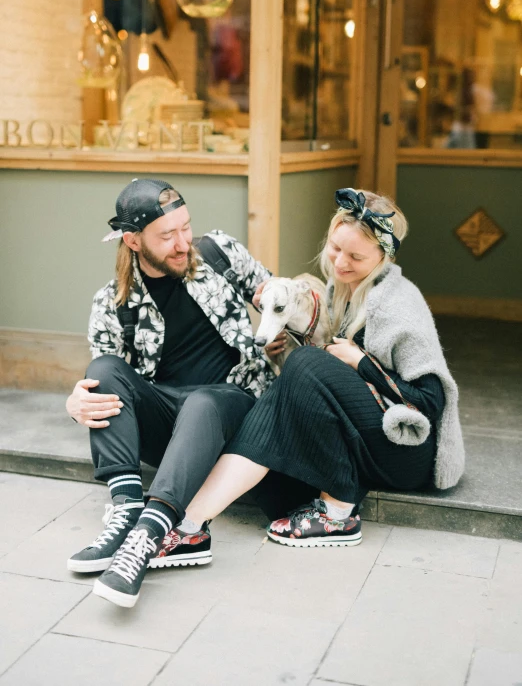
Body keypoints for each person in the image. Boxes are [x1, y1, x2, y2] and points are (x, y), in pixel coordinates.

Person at [180, 188, 465, 553]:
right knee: (275, 484)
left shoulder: (398, 304)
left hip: (409, 451)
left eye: (355, 256)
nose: (340, 262)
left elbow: (431, 402)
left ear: (384, 257)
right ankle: (190, 522)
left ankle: (337, 513)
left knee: (305, 364)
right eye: (335, 247)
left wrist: (361, 362)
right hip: (372, 434)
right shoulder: (341, 288)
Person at [65, 178, 276, 606]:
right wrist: (77, 402)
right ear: (134, 240)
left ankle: (147, 537)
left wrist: (286, 328)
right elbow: (104, 382)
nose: (183, 243)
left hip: (231, 408)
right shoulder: (112, 304)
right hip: (171, 428)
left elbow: (275, 294)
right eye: (167, 235)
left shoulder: (219, 254)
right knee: (103, 369)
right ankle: (126, 509)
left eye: (185, 227)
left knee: (201, 401)